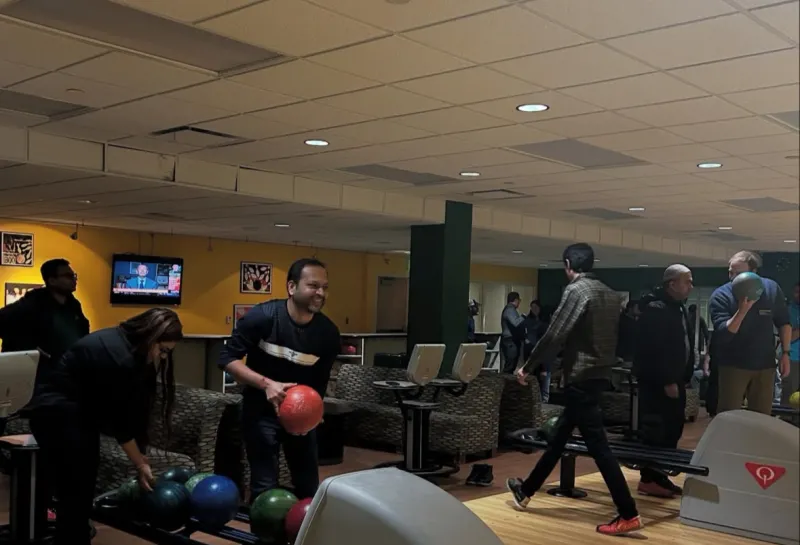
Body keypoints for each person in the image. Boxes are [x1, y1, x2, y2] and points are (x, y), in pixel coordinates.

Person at [507, 243, 641, 536]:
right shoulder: (609, 293)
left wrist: (527, 367)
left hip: (581, 377)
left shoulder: (577, 291)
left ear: (568, 264)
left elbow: (555, 334)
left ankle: (628, 513)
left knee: (600, 448)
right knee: (559, 438)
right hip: (600, 374)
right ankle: (526, 490)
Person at [26, 308, 183, 545]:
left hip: (70, 412)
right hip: (56, 414)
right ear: (151, 336)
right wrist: (140, 464)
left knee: (77, 491)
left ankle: (71, 533)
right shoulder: (119, 358)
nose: (162, 358)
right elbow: (121, 423)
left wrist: (142, 455)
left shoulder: (124, 341)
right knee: (76, 490)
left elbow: (132, 412)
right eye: (162, 351)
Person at [219, 258, 341, 501]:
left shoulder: (328, 333)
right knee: (264, 487)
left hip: (302, 413)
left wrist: (315, 412)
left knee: (308, 488)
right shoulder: (263, 317)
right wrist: (266, 384)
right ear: (292, 287)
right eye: (313, 286)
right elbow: (227, 359)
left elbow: (320, 381)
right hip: (260, 411)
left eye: (324, 287)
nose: (320, 293)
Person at [634, 265, 694, 498]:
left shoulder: (676, 307)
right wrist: (667, 380)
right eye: (687, 281)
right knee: (657, 430)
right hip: (659, 384)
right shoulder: (656, 309)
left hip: (676, 379)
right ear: (672, 284)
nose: (691, 286)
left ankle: (659, 476)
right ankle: (649, 479)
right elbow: (654, 350)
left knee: (672, 429)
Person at [709, 251, 791, 415]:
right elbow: (724, 333)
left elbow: (784, 322)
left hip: (765, 366)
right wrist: (742, 310)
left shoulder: (771, 289)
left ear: (754, 273)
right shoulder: (721, 295)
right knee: (729, 415)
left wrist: (785, 353)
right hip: (733, 365)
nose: (733, 278)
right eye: (731, 272)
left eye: (739, 273)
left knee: (761, 416)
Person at [0, 258, 90, 387]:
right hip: (40, 378)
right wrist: (30, 348)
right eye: (68, 276)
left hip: (67, 373)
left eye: (74, 275)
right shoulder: (32, 303)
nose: (74, 279)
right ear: (52, 281)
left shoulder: (73, 304)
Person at [523, 300, 550, 402]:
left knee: (543, 375)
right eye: (532, 307)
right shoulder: (528, 320)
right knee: (534, 375)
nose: (534, 310)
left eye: (536, 307)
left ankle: (543, 398)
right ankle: (535, 397)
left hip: (540, 350)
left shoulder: (543, 321)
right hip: (532, 350)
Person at [783, 282, 800, 405]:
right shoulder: (789, 311)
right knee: (789, 397)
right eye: (797, 292)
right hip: (793, 358)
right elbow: (789, 338)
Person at [500, 292, 525, 373]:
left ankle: (507, 379)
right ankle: (505, 380)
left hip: (510, 341)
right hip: (510, 341)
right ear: (516, 300)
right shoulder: (510, 310)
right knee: (510, 365)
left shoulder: (510, 309)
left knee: (511, 365)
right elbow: (516, 323)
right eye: (519, 301)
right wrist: (523, 317)